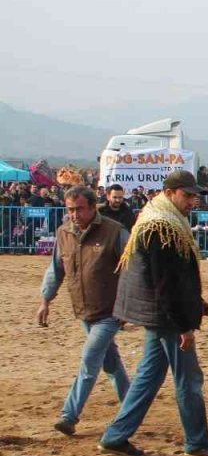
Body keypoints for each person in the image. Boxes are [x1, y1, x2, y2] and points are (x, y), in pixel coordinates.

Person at [98, 171, 208, 456]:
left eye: (195, 195)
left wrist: (196, 300)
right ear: (170, 193)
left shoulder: (158, 218)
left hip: (159, 314)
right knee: (188, 379)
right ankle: (196, 441)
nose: (193, 201)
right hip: (166, 317)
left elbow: (171, 278)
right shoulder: (162, 226)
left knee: (148, 376)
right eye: (188, 195)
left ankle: (116, 436)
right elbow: (165, 283)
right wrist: (184, 325)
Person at [36, 186, 131, 436]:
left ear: (92, 207)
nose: (74, 215)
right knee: (110, 363)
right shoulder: (64, 232)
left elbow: (133, 270)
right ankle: (132, 405)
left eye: (79, 209)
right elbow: (56, 269)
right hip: (84, 310)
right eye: (70, 210)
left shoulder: (114, 232)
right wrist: (45, 300)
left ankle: (69, 415)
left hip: (110, 311)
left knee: (90, 360)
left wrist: (127, 306)